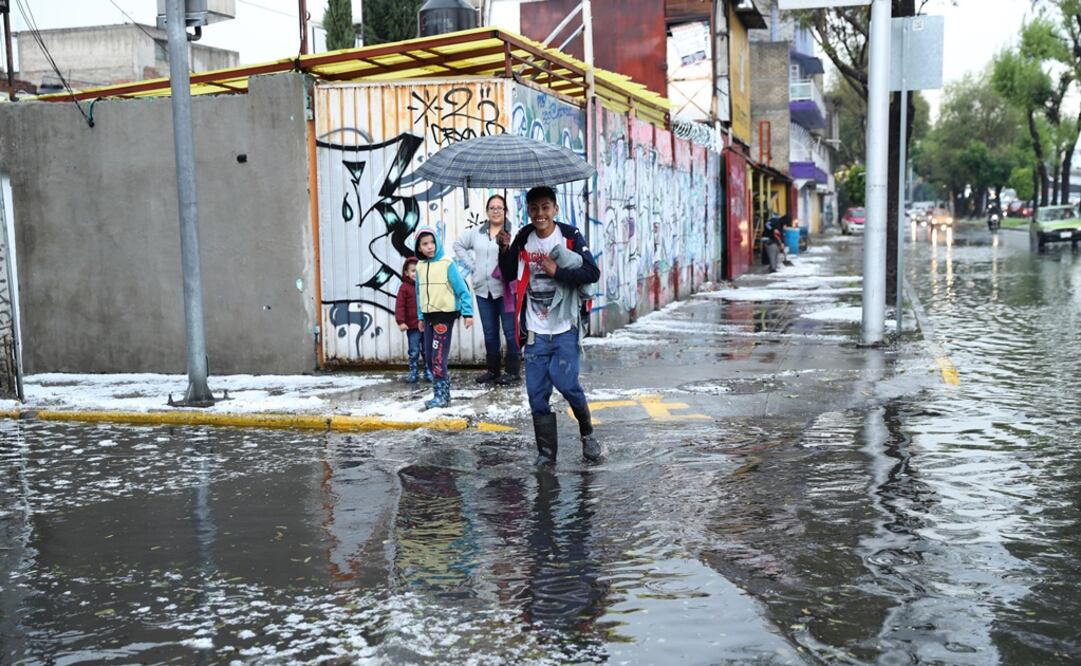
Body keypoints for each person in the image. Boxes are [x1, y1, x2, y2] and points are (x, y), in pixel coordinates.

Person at [497, 186, 602, 466]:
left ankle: (587, 433)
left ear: (555, 209)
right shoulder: (524, 237)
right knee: (537, 394)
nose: (539, 214)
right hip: (535, 330)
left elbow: (592, 272)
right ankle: (546, 454)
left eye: (545, 207)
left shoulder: (570, 236)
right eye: (534, 208)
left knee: (567, 384)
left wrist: (559, 272)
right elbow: (508, 273)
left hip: (564, 326)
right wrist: (504, 249)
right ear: (528, 211)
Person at [453, 194, 520, 386]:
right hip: (483, 290)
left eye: (500, 207)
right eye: (492, 208)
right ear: (487, 211)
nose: (496, 211)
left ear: (505, 211)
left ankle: (513, 371)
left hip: (505, 291)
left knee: (510, 331)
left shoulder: (514, 232)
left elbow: (520, 257)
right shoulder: (477, 232)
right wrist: (473, 266)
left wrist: (507, 247)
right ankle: (493, 370)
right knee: (490, 332)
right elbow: (458, 245)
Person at [414, 227, 473, 410]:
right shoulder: (419, 266)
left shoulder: (447, 263)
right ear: (419, 247)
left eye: (432, 242)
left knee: (438, 357)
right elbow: (419, 293)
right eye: (425, 244)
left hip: (444, 317)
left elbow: (462, 290)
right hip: (428, 317)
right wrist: (420, 316)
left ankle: (440, 396)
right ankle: (443, 392)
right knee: (429, 357)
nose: (430, 246)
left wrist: (468, 313)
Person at [394, 257, 433, 384]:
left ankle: (428, 371)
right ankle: (413, 371)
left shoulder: (426, 286)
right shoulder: (404, 288)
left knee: (427, 350)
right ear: (406, 273)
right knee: (414, 350)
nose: (416, 274)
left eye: (418, 270)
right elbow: (400, 306)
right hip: (412, 326)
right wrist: (401, 322)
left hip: (426, 325)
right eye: (413, 271)